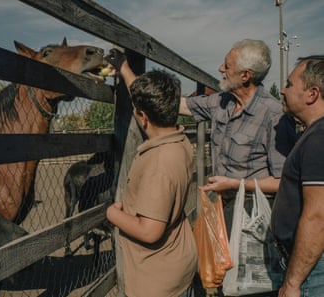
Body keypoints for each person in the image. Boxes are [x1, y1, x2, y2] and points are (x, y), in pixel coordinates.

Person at [107, 39, 297, 296]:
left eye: (227, 65)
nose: (220, 68)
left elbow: (283, 180)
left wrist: (236, 184)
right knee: (220, 282)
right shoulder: (222, 102)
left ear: (246, 76)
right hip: (220, 210)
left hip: (251, 216)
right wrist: (126, 70)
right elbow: (167, 104)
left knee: (251, 287)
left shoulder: (274, 116)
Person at [106, 70, 198, 297]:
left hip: (155, 281)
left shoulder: (159, 163)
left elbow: (150, 232)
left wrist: (113, 214)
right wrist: (125, 68)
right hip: (177, 264)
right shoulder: (180, 140)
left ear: (143, 116)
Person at [271, 55, 324, 297]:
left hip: (312, 272)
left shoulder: (318, 140)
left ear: (312, 94)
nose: (283, 90)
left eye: (290, 85)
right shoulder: (314, 134)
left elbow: (318, 218)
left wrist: (292, 283)